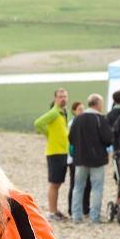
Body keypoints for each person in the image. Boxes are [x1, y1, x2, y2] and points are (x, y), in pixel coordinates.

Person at [68, 93, 112, 224]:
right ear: (98, 104)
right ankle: (94, 217)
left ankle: (76, 216)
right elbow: (108, 139)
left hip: (80, 159)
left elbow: (71, 138)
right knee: (97, 188)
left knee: (78, 187)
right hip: (97, 160)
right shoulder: (100, 119)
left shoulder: (78, 119)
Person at [33, 88, 71, 221]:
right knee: (54, 183)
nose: (63, 99)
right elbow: (38, 123)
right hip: (54, 152)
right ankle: (51, 212)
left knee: (58, 183)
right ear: (55, 98)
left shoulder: (63, 112)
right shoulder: (54, 112)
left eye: (65, 96)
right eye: (60, 96)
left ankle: (55, 210)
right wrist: (48, 134)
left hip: (63, 152)